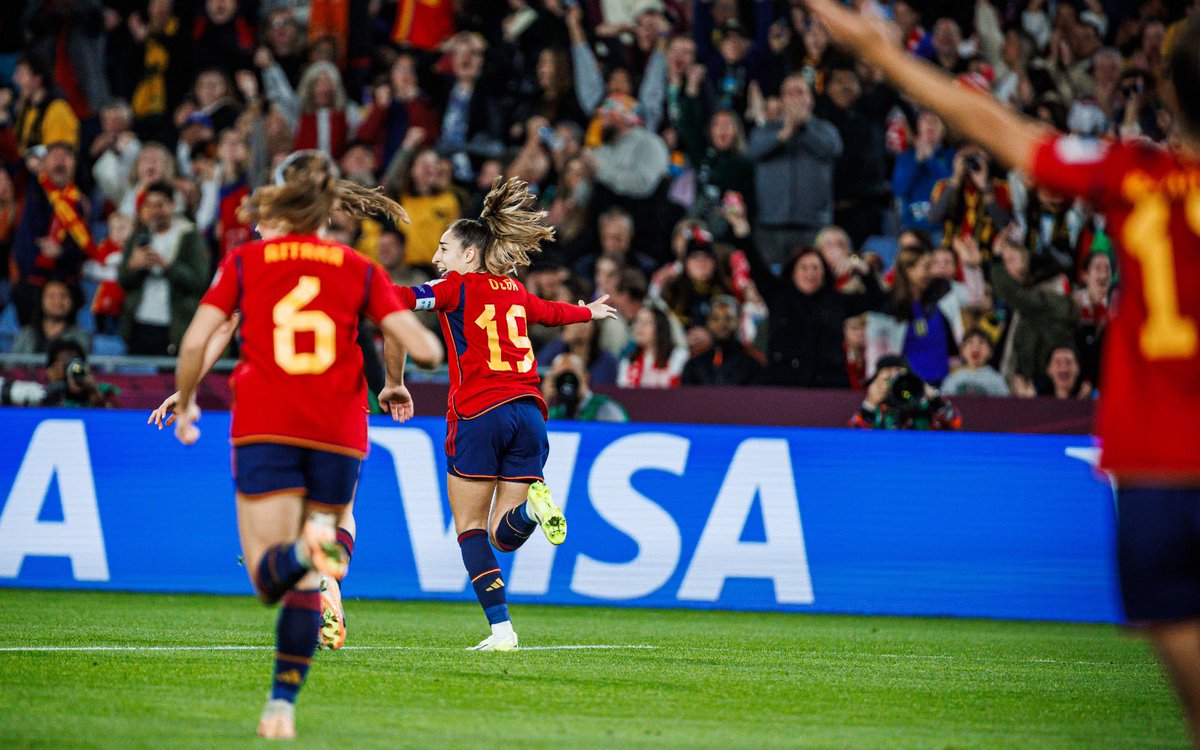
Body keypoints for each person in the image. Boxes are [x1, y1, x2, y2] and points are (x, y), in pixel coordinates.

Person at [805, 1, 1200, 743]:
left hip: (1156, 481)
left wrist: (885, 55)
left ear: (1169, 93)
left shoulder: (1133, 175)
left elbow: (1000, 129)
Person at [168, 150, 442, 740]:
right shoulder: (355, 266)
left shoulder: (248, 261)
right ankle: (283, 704)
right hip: (340, 429)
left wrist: (187, 397)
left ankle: (310, 560)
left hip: (268, 422)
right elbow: (421, 347)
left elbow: (199, 338)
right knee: (331, 532)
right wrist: (395, 374)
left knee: (273, 579)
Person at [392, 177, 616, 651]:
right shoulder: (513, 290)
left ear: (469, 255)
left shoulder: (456, 286)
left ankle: (502, 631)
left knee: (470, 528)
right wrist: (589, 314)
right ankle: (533, 511)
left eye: (444, 247)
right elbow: (550, 312)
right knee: (504, 534)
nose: (437, 257)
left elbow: (405, 300)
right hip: (531, 414)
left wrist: (363, 292)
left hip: (479, 412)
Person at [117, 181, 210, 356]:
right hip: (139, 322)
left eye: (160, 205)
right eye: (150, 205)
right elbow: (123, 280)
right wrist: (134, 266)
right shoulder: (139, 236)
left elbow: (199, 281)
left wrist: (167, 266)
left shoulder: (189, 236)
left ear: (173, 205)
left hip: (175, 326)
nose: (154, 211)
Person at [848, 354, 962, 430]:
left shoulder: (923, 405)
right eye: (887, 380)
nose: (893, 385)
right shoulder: (874, 411)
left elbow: (955, 423)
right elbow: (853, 437)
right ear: (875, 383)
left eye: (899, 380)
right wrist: (869, 405)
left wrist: (935, 400)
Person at [681, 295, 764, 386]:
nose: (722, 324)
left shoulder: (752, 363)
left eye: (729, 318)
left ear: (739, 321)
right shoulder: (695, 364)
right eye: (715, 319)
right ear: (707, 322)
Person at [10, 278, 89, 355]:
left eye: (63, 296)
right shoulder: (26, 334)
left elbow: (81, 366)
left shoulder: (79, 337)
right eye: (51, 296)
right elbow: (10, 366)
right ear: (41, 300)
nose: (58, 301)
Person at [544, 352, 629, 423]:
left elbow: (621, 436)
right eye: (560, 378)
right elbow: (535, 436)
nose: (567, 383)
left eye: (571, 376)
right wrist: (545, 400)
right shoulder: (554, 413)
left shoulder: (604, 408)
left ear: (585, 377)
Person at [617, 306, 688, 388]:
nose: (639, 327)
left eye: (645, 323)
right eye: (637, 322)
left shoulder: (678, 357)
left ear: (660, 327)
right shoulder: (628, 361)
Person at [940, 328, 1009, 397]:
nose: (976, 347)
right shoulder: (953, 378)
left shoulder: (996, 380)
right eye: (970, 342)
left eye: (981, 342)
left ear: (991, 352)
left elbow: (1005, 404)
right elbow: (944, 401)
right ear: (962, 350)